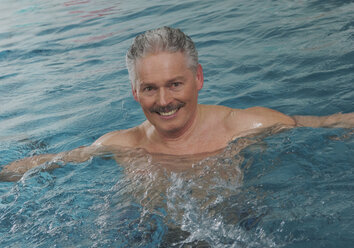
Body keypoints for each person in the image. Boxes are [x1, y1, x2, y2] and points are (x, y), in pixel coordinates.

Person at [1, 26, 353, 181]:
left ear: (197, 78)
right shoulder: (120, 145)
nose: (164, 101)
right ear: (135, 93)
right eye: (150, 89)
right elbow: (51, 161)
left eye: (175, 84)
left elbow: (325, 123)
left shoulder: (246, 125)